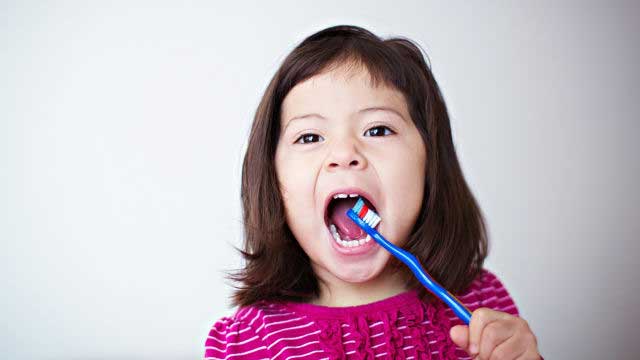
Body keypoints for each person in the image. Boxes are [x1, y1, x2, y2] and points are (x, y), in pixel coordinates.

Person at [203, 25, 542, 359]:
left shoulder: (482, 307)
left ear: (429, 164)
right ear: (273, 180)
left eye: (378, 129)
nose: (344, 154)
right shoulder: (248, 341)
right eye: (309, 137)